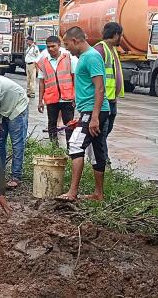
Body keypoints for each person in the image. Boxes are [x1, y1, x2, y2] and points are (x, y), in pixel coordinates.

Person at [58, 26, 110, 201]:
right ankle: (98, 194)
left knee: (74, 144)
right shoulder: (84, 57)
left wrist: (94, 117)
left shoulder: (92, 57)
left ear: (75, 40)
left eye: (66, 44)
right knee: (96, 150)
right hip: (88, 111)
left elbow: (100, 88)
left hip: (94, 111)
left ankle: (72, 192)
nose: (66, 48)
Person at [37, 36, 77, 149]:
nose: (50, 49)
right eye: (48, 47)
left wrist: (76, 97)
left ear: (59, 46)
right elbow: (41, 82)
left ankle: (71, 149)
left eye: (53, 46)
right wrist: (40, 101)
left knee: (69, 125)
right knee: (52, 124)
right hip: (51, 99)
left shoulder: (69, 59)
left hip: (67, 98)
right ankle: (54, 148)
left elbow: (75, 79)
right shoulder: (44, 62)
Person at [94, 22, 124, 163]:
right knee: (102, 132)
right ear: (116, 35)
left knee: (106, 131)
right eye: (120, 36)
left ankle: (99, 157)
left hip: (112, 99)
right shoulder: (100, 50)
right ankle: (103, 161)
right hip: (103, 100)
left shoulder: (111, 50)